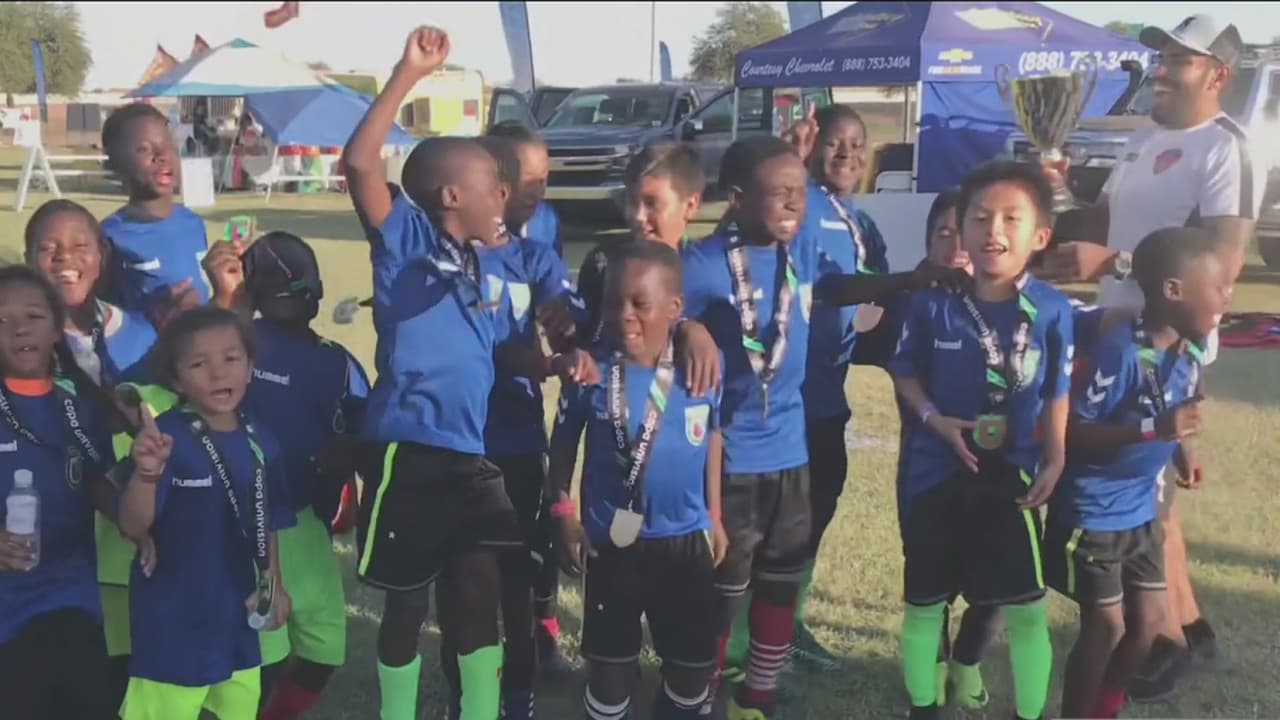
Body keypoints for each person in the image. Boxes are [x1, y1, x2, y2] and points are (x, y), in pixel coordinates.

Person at [342, 27, 592, 720]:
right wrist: (407, 73)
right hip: (408, 451)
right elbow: (360, 164)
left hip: (473, 457)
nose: (505, 198)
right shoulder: (406, 240)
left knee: (480, 591)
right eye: (494, 187)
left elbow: (500, 350)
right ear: (453, 194)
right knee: (406, 603)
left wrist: (553, 362)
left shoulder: (486, 262)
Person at [1038, 14, 1263, 701]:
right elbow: (1103, 222)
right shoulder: (1145, 138)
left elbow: (1222, 260)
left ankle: (1162, 642)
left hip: (1167, 344)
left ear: (1218, 75)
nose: (1160, 70)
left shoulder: (1227, 147)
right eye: (1160, 57)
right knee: (1152, 494)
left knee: (1144, 495)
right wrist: (1060, 193)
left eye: (1178, 60)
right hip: (1118, 334)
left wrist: (1115, 262)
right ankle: (1184, 629)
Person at [889, 161, 1074, 720]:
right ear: (963, 230)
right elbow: (904, 371)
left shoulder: (1052, 309)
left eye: (1012, 218)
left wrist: (1056, 456)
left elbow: (1057, 389)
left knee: (1026, 610)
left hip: (1010, 479)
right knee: (925, 605)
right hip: (934, 474)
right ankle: (923, 708)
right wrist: (935, 419)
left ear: (1040, 236)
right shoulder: (932, 302)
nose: (994, 230)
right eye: (980, 218)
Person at [1047, 227, 1226, 719]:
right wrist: (1155, 430)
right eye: (1218, 287)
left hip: (1142, 510)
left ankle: (1104, 709)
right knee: (1105, 627)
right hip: (1094, 512)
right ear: (1173, 291)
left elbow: (1176, 405)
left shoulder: (1191, 350)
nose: (1227, 297)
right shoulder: (1122, 351)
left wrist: (1181, 450)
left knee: (1148, 623)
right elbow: (1074, 431)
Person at [548, 241, 727, 720]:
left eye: (639, 303)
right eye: (614, 302)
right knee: (610, 675)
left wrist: (715, 516)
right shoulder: (590, 372)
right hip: (612, 545)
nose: (623, 314)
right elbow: (561, 449)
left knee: (691, 674)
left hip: (683, 541)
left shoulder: (701, 367)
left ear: (675, 308)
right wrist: (564, 516)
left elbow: (713, 436)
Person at [681, 136, 824, 720]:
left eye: (800, 191)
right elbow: (656, 307)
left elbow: (835, 287)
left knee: (781, 584)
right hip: (730, 457)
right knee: (722, 593)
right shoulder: (703, 262)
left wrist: (909, 282)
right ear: (737, 199)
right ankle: (702, 697)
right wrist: (687, 327)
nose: (794, 202)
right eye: (779, 192)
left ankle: (757, 697)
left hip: (790, 453)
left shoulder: (802, 248)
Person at [115, 307, 294, 720]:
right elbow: (131, 525)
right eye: (199, 364)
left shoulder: (261, 442)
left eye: (231, 358)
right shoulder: (164, 440)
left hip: (236, 623)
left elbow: (266, 521)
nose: (218, 373)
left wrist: (273, 584)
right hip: (173, 628)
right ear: (177, 379)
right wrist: (146, 474)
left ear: (250, 367)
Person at [23, 198, 161, 708]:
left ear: (102, 254)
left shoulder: (141, 333)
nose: (65, 258)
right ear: (28, 258)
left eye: (80, 245)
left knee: (124, 679)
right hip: (54, 545)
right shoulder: (18, 338)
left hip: (131, 536)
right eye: (49, 248)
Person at [227, 232, 370, 720]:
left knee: (323, 650)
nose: (301, 291)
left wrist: (348, 461)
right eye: (283, 282)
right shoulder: (239, 344)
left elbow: (365, 429)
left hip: (307, 523)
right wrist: (234, 305)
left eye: (307, 279)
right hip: (250, 523)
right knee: (264, 657)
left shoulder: (337, 361)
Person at [0, 266, 137, 720]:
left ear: (58, 329)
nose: (19, 329)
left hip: (67, 592)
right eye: (2, 320)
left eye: (33, 316)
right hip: (6, 603)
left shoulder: (81, 407)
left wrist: (139, 517)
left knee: (82, 692)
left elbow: (98, 484)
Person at [576, 142, 705, 349]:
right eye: (632, 202)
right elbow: (585, 341)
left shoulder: (709, 271)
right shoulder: (604, 265)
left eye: (652, 203)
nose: (638, 216)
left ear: (690, 206)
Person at [99, 102, 211, 327]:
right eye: (144, 149)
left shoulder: (193, 223)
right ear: (115, 163)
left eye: (168, 145)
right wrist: (153, 313)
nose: (161, 155)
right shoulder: (108, 236)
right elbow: (100, 316)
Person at [487, 121, 562, 258]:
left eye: (542, 180)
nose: (537, 193)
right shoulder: (471, 226)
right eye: (527, 181)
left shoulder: (545, 219)